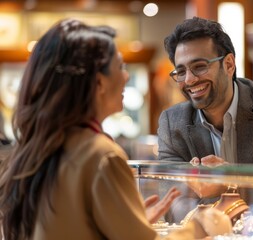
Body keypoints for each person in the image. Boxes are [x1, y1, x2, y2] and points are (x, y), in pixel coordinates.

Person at [0, 19, 230, 240]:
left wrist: (129, 222)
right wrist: (202, 225)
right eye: (120, 66)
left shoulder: (43, 146)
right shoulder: (102, 155)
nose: (126, 75)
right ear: (99, 83)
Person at [157, 16, 253, 222]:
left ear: (229, 64)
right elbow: (172, 205)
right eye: (181, 71)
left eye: (200, 66)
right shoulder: (172, 122)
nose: (189, 79)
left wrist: (231, 182)